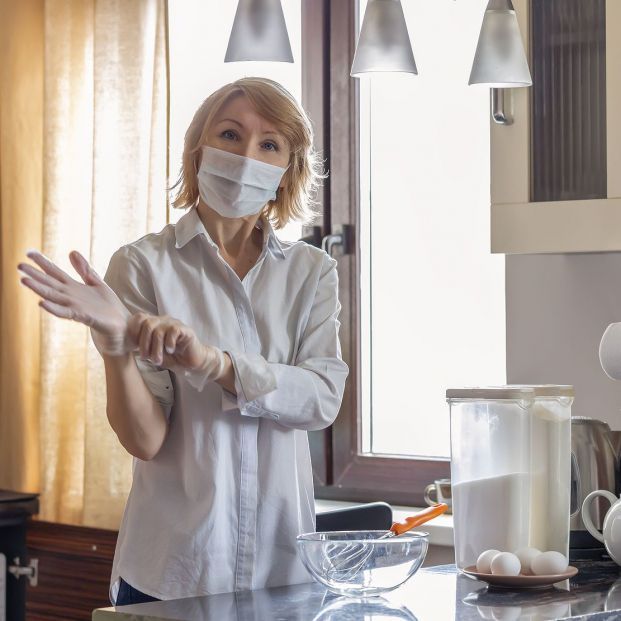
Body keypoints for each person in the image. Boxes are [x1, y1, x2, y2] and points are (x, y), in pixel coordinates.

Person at [17, 77, 349, 605]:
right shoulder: (144, 265)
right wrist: (116, 345)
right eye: (229, 134)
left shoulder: (311, 273)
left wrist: (214, 363)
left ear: (288, 169)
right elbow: (145, 441)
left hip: (283, 576)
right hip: (172, 575)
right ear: (198, 151)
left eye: (269, 145)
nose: (246, 155)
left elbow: (321, 399)